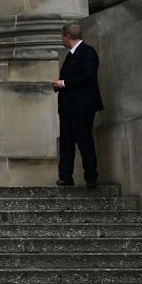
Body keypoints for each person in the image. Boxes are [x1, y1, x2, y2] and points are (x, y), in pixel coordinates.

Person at [53, 23, 103, 187]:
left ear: (67, 36)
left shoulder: (87, 52)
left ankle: (91, 177)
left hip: (82, 106)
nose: (62, 40)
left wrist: (64, 83)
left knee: (84, 140)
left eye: (62, 36)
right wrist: (60, 85)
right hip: (68, 106)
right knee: (66, 142)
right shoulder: (71, 55)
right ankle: (65, 176)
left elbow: (88, 76)